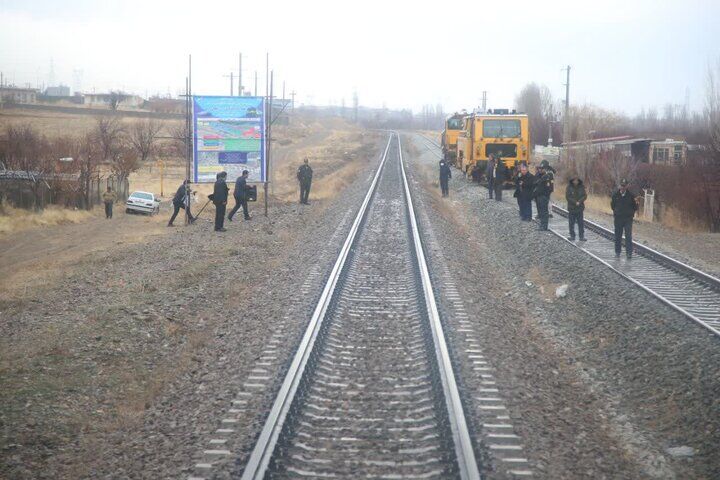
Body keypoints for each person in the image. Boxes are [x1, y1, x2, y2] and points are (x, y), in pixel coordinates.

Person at [611, 178, 638, 259]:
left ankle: (629, 253)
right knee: (618, 236)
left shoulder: (631, 195)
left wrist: (631, 214)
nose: (623, 188)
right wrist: (616, 212)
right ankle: (617, 252)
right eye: (622, 186)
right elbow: (612, 206)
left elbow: (635, 206)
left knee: (628, 236)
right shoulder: (615, 195)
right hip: (618, 218)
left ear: (627, 186)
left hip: (628, 219)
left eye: (624, 186)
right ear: (620, 186)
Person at [533, 160, 554, 231]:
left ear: (545, 169)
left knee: (544, 212)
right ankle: (542, 225)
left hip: (544, 196)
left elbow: (550, 187)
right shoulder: (540, 175)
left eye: (542, 169)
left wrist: (546, 196)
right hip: (539, 196)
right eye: (540, 169)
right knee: (541, 211)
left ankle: (544, 226)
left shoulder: (548, 176)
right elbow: (536, 183)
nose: (540, 170)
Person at [566, 176, 587, 241]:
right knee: (571, 223)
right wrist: (575, 202)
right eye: (574, 180)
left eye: (577, 180)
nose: (575, 182)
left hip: (580, 208)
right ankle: (572, 236)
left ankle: (581, 236)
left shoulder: (582, 187)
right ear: (572, 181)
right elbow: (568, 197)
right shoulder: (569, 187)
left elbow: (585, 196)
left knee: (581, 223)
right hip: (572, 208)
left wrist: (579, 202)